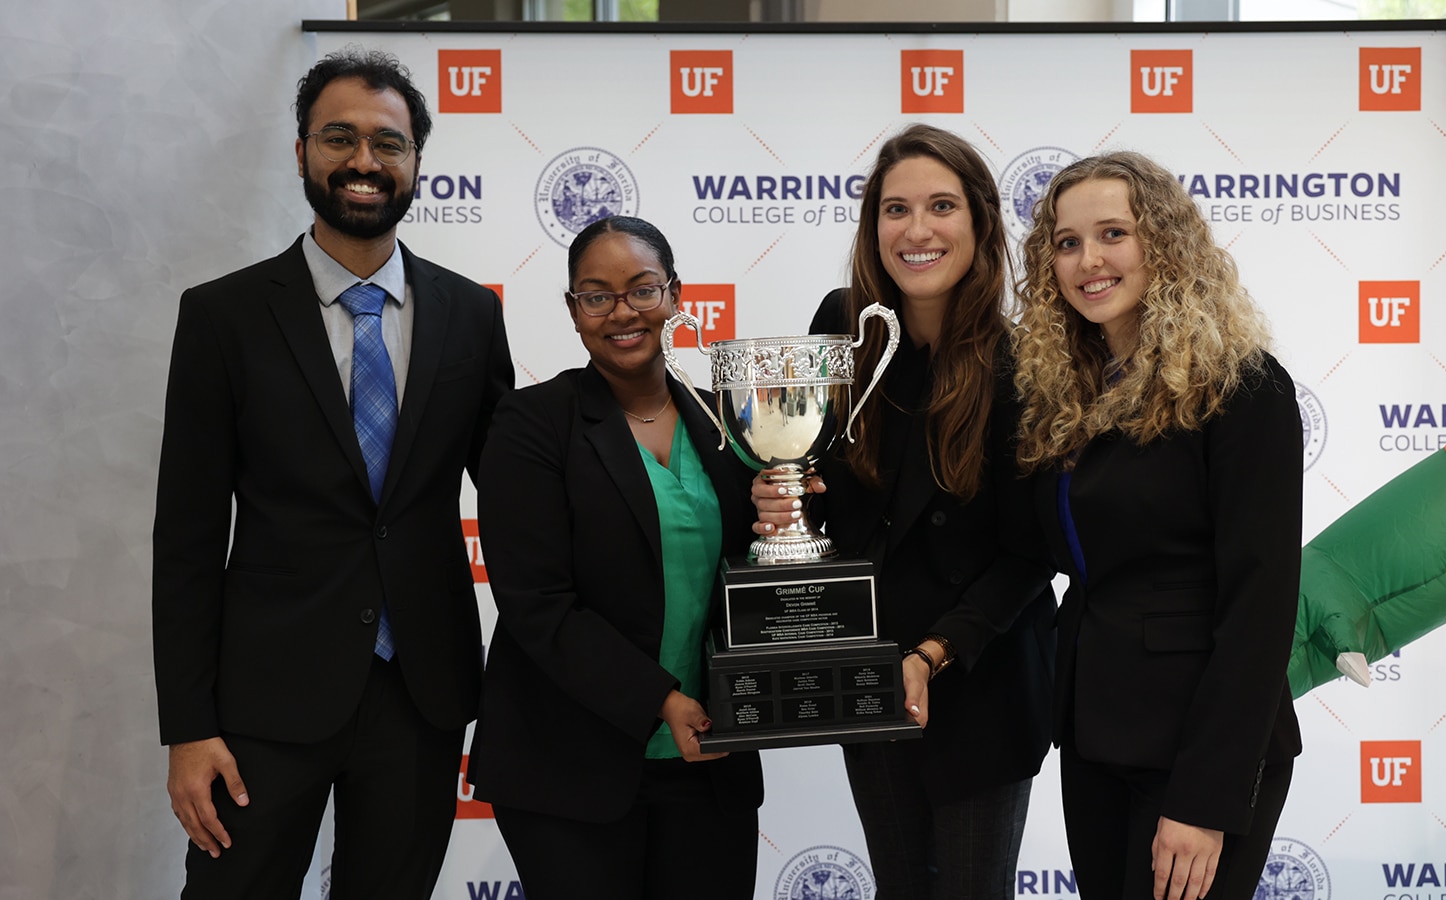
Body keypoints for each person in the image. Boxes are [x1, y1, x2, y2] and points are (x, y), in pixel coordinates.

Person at [152, 48, 513, 897]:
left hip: (421, 693)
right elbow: (188, 538)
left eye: (388, 143)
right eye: (339, 138)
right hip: (261, 707)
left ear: (417, 161)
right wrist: (188, 726)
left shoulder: (471, 314)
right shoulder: (222, 316)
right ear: (303, 153)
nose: (363, 161)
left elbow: (516, 492)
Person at [752, 123, 1056, 900]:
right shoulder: (839, 324)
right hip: (867, 669)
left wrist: (933, 652)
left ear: (981, 221)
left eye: (941, 206)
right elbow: (815, 487)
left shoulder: (1024, 360)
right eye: (895, 210)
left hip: (979, 675)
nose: (916, 230)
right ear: (871, 226)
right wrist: (783, 504)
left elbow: (1030, 551)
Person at [1011, 151, 1303, 900]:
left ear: (1165, 246)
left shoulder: (1242, 386)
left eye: (1114, 233)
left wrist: (1204, 801)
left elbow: (1260, 602)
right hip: (1095, 731)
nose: (1089, 260)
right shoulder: (1066, 394)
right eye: (1068, 242)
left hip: (1199, 752)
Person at [467, 216, 763, 899]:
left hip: (711, 760)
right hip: (569, 767)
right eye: (596, 295)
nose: (621, 312)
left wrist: (785, 514)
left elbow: (755, 571)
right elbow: (538, 602)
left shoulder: (729, 419)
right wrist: (660, 700)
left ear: (675, 295)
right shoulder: (531, 423)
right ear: (574, 312)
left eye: (641, 289)